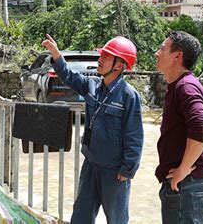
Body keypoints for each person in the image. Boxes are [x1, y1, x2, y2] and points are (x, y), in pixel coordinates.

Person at [42, 34, 143, 224]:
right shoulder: (92, 85)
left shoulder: (129, 96)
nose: (100, 59)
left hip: (114, 172)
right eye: (101, 55)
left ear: (119, 65)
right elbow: (69, 76)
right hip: (91, 164)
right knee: (81, 215)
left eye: (106, 57)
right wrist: (56, 55)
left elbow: (134, 136)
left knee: (116, 219)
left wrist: (128, 168)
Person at [155, 31, 203, 224]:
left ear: (177, 56)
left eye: (162, 49)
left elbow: (201, 129)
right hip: (183, 188)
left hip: (187, 187)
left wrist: (182, 169)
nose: (157, 53)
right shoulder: (178, 85)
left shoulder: (186, 87)